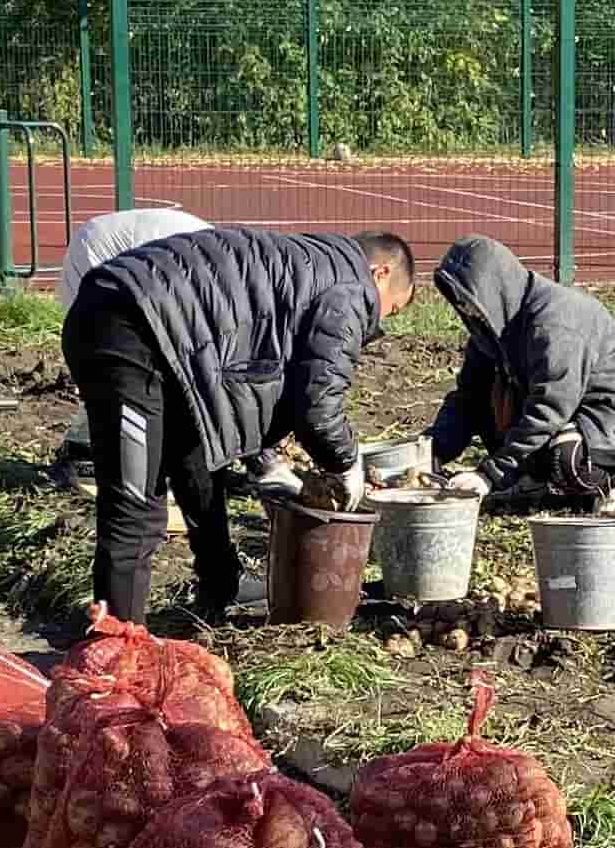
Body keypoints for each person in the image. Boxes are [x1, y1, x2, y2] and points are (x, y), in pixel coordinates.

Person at [58, 222, 418, 623]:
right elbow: (318, 403)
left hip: (149, 327)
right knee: (136, 507)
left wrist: (264, 462)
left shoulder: (309, 266)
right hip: (128, 324)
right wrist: (347, 463)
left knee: (196, 456)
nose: (382, 318)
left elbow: (247, 382)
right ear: (380, 273)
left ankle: (221, 583)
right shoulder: (351, 288)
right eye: (393, 307)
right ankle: (117, 652)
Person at [423, 235, 615, 513]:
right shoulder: (492, 326)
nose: (464, 311)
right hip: (566, 412)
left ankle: (608, 480)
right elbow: (468, 397)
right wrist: (431, 451)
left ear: (495, 289)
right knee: (492, 398)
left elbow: (549, 410)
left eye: (469, 301)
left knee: (565, 455)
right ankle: (534, 481)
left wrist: (490, 474)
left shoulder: (554, 325)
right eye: (459, 303)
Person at [46, 209, 211, 490]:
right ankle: (84, 453)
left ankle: (103, 447)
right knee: (109, 364)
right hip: (101, 251)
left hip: (148, 255)